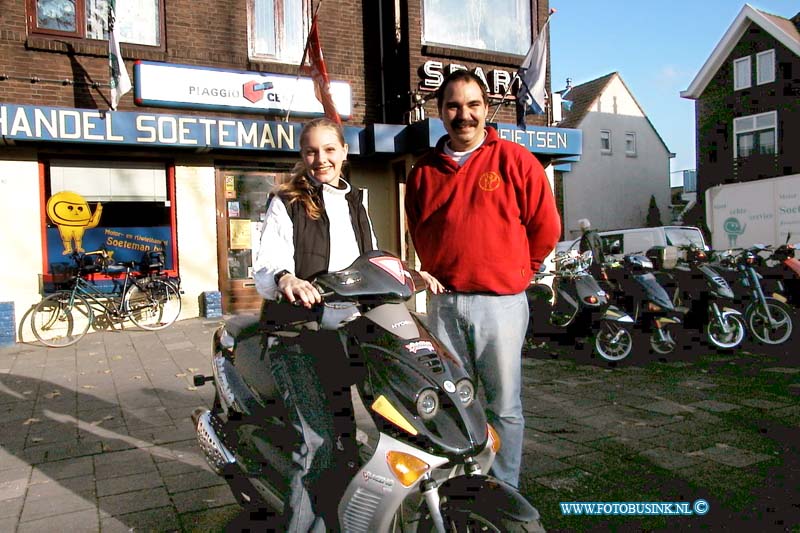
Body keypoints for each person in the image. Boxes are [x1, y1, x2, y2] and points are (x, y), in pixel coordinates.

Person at [404, 70, 561, 489]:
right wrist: (438, 270)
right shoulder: (423, 172)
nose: (464, 115)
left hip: (501, 304)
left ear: (486, 109)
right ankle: (463, 481)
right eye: (453, 105)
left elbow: (545, 227)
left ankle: (502, 488)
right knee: (454, 400)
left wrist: (519, 270)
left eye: (472, 105)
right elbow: (419, 229)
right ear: (440, 112)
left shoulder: (515, 160)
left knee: (504, 405)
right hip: (446, 305)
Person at [253, 117, 376, 532]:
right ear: (302, 156)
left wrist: (412, 273)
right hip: (296, 335)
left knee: (348, 440)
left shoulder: (357, 201)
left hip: (345, 334)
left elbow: (370, 262)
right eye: (311, 151)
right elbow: (268, 264)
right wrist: (286, 278)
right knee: (318, 444)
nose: (320, 159)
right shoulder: (286, 201)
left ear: (343, 152)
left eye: (328, 150)